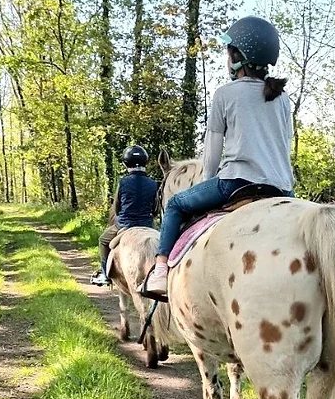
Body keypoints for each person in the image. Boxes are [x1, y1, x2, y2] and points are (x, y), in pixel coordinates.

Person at [141, 16, 294, 295]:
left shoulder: (225, 94)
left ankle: (160, 270)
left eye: (228, 51)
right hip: (282, 188)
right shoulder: (282, 99)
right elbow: (285, 146)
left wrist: (207, 182)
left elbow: (212, 154)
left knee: (175, 204)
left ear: (238, 56)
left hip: (236, 182)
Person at [91, 145, 159, 286]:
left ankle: (105, 275)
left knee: (103, 241)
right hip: (147, 224)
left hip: (125, 224)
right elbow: (156, 208)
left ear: (126, 163)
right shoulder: (153, 184)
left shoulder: (123, 182)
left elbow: (116, 207)